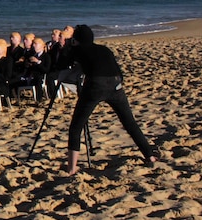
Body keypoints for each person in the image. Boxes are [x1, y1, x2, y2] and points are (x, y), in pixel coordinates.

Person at [65, 25, 158, 176]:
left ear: (77, 39)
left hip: (96, 85)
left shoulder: (79, 50)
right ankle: (150, 155)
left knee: (76, 127)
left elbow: (64, 62)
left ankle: (71, 169)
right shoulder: (105, 50)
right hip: (115, 84)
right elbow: (119, 73)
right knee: (129, 122)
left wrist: (70, 47)